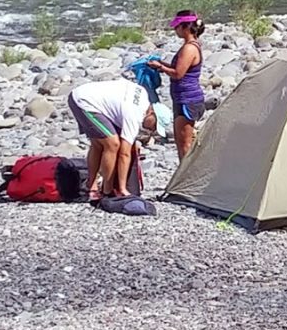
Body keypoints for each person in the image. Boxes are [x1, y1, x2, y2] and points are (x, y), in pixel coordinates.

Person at [66, 76, 158, 204]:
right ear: (152, 114)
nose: (152, 130)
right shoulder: (135, 114)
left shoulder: (142, 96)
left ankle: (91, 186)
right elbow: (124, 154)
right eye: (154, 126)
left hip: (86, 95)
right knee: (112, 144)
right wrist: (122, 188)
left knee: (98, 144)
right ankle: (107, 190)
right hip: (83, 102)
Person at [157, 11, 208, 157]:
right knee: (181, 141)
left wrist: (160, 67)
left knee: (184, 143)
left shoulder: (189, 48)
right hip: (183, 98)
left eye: (177, 26)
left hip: (188, 99)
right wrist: (161, 63)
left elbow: (178, 74)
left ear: (185, 27)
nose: (175, 30)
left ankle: (186, 174)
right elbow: (180, 68)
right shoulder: (191, 45)